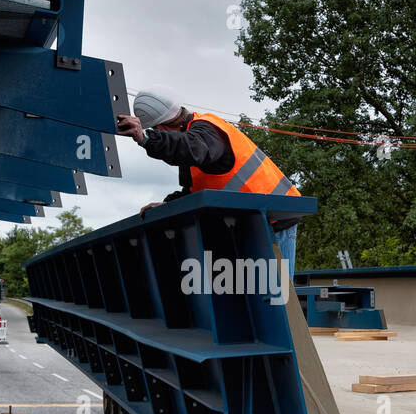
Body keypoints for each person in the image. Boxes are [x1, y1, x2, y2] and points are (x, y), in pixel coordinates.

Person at [115, 88, 301, 277]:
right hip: (253, 219)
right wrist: (169, 204)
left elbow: (191, 147)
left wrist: (146, 139)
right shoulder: (194, 141)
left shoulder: (205, 129)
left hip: (274, 219)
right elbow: (195, 188)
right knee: (255, 295)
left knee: (278, 297)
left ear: (161, 128)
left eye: (155, 130)